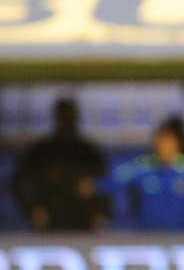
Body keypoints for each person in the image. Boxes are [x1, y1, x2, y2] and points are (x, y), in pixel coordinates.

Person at [9, 98, 110, 232]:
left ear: (75, 118)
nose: (67, 121)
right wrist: (33, 211)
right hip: (51, 224)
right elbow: (17, 183)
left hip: (84, 224)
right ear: (57, 118)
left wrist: (101, 213)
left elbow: (106, 184)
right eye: (63, 117)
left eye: (70, 116)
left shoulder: (88, 153)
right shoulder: (42, 152)